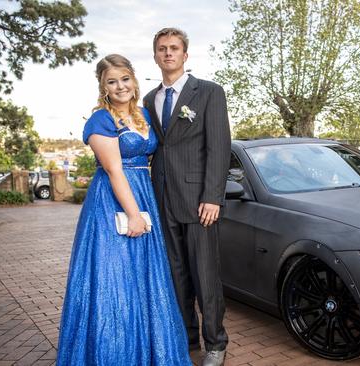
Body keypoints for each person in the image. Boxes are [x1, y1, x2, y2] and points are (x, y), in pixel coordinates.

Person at [56, 54, 191, 366]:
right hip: (113, 202)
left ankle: (150, 352)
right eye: (111, 82)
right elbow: (115, 171)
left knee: (145, 276)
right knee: (114, 279)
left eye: (124, 79)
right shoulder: (100, 120)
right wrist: (133, 214)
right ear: (103, 88)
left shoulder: (144, 114)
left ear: (134, 80)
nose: (120, 86)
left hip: (143, 196)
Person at [143, 28, 231, 366]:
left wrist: (213, 197)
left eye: (174, 48)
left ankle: (216, 343)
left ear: (185, 55)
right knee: (176, 275)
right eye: (162, 49)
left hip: (199, 203)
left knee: (205, 276)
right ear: (155, 56)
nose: (168, 54)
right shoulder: (150, 99)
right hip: (162, 199)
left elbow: (219, 147)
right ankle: (187, 335)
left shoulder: (208, 92)